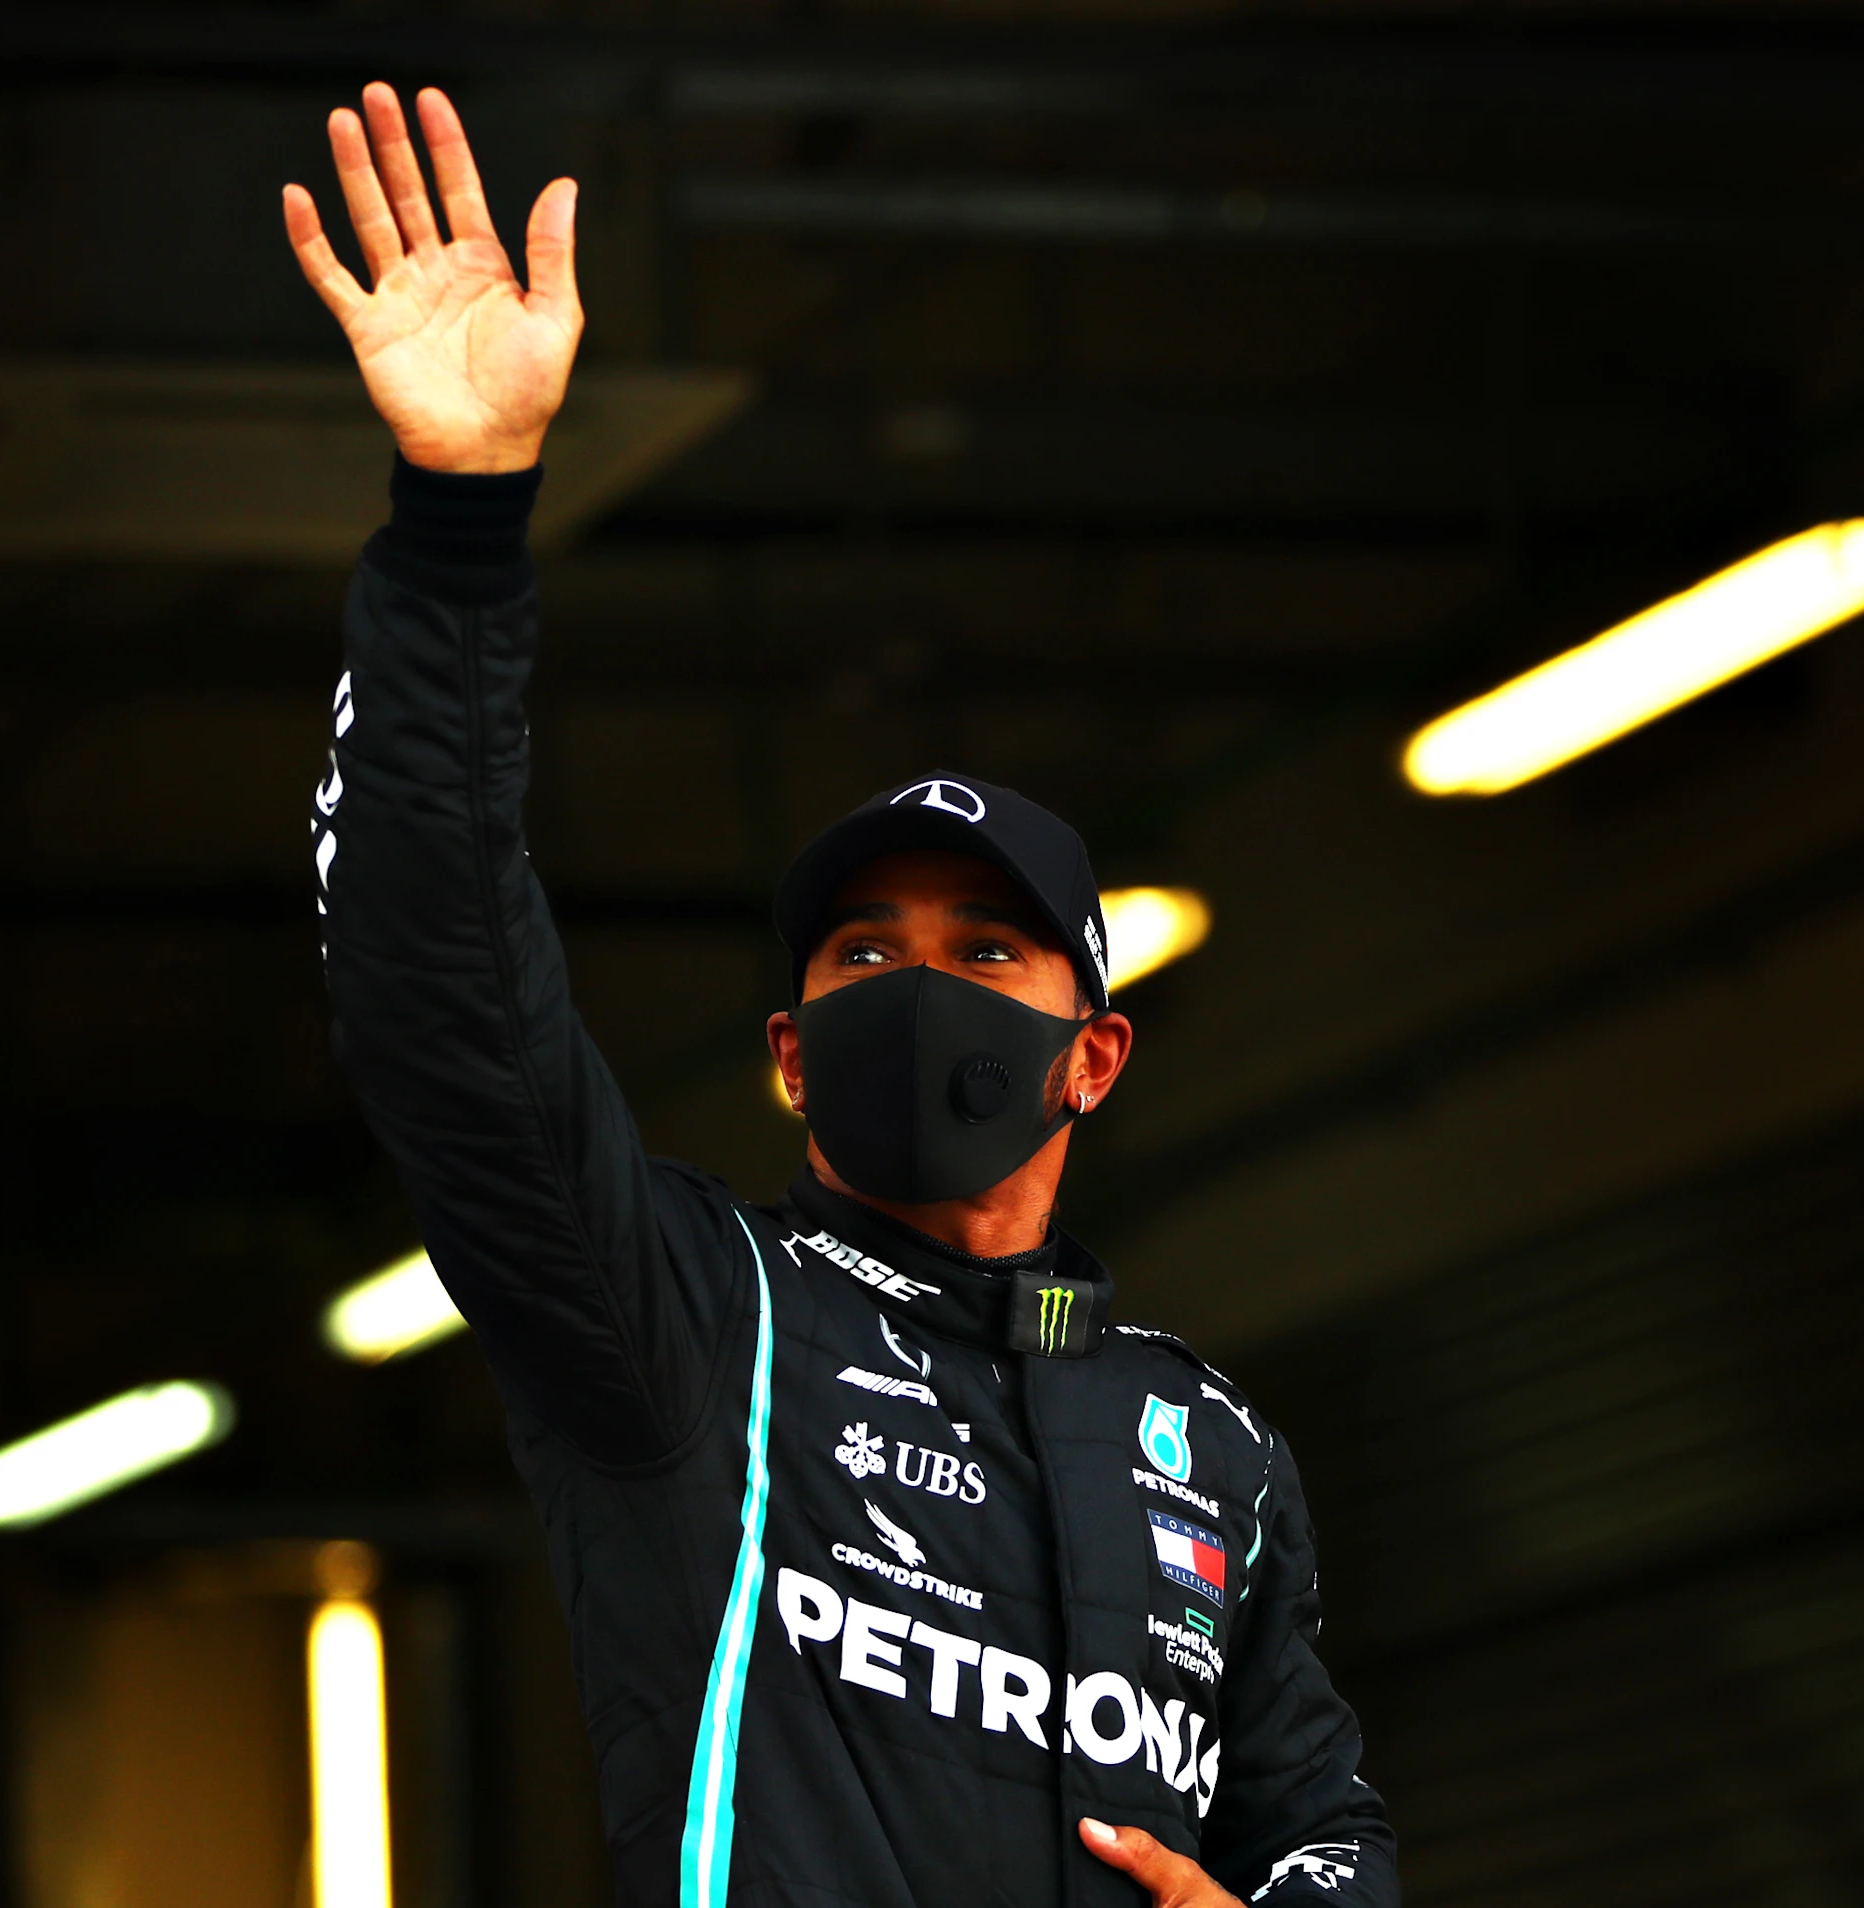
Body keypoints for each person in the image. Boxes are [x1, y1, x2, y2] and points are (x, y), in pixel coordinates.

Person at [287, 82, 1399, 1908]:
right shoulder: (688, 1326)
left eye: (988, 952)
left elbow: (1330, 1833)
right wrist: (457, 530)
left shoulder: (1211, 1448)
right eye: (867, 957)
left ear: (1093, 1052)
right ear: (793, 1061)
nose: (927, 989)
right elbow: (443, 1003)